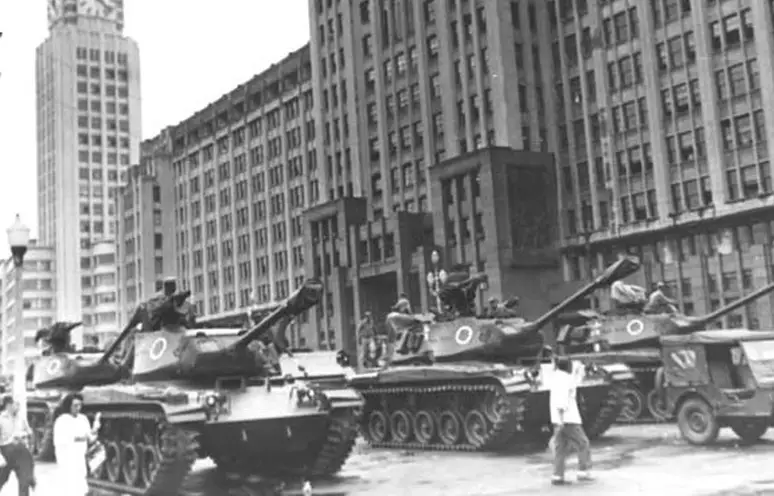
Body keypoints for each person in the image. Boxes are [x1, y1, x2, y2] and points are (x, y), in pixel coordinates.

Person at [549, 356, 593, 485]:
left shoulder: (557, 377)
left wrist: (581, 368)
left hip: (559, 420)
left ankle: (557, 476)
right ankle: (583, 471)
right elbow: (562, 401)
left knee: (561, 448)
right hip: (568, 419)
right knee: (583, 443)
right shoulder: (564, 379)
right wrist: (562, 420)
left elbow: (575, 381)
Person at [53, 393, 101, 496]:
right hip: (67, 459)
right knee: (69, 487)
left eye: (80, 405)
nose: (78, 408)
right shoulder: (62, 420)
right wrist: (83, 437)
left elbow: (90, 437)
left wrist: (95, 428)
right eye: (75, 405)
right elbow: (64, 440)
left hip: (80, 458)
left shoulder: (82, 419)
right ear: (68, 406)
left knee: (81, 487)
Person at [0, 396, 36, 496]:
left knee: (24, 480)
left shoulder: (21, 418)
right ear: (8, 405)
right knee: (1, 478)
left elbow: (30, 433)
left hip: (21, 451)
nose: (18, 407)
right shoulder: (1, 419)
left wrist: (30, 445)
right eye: (16, 404)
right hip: (6, 451)